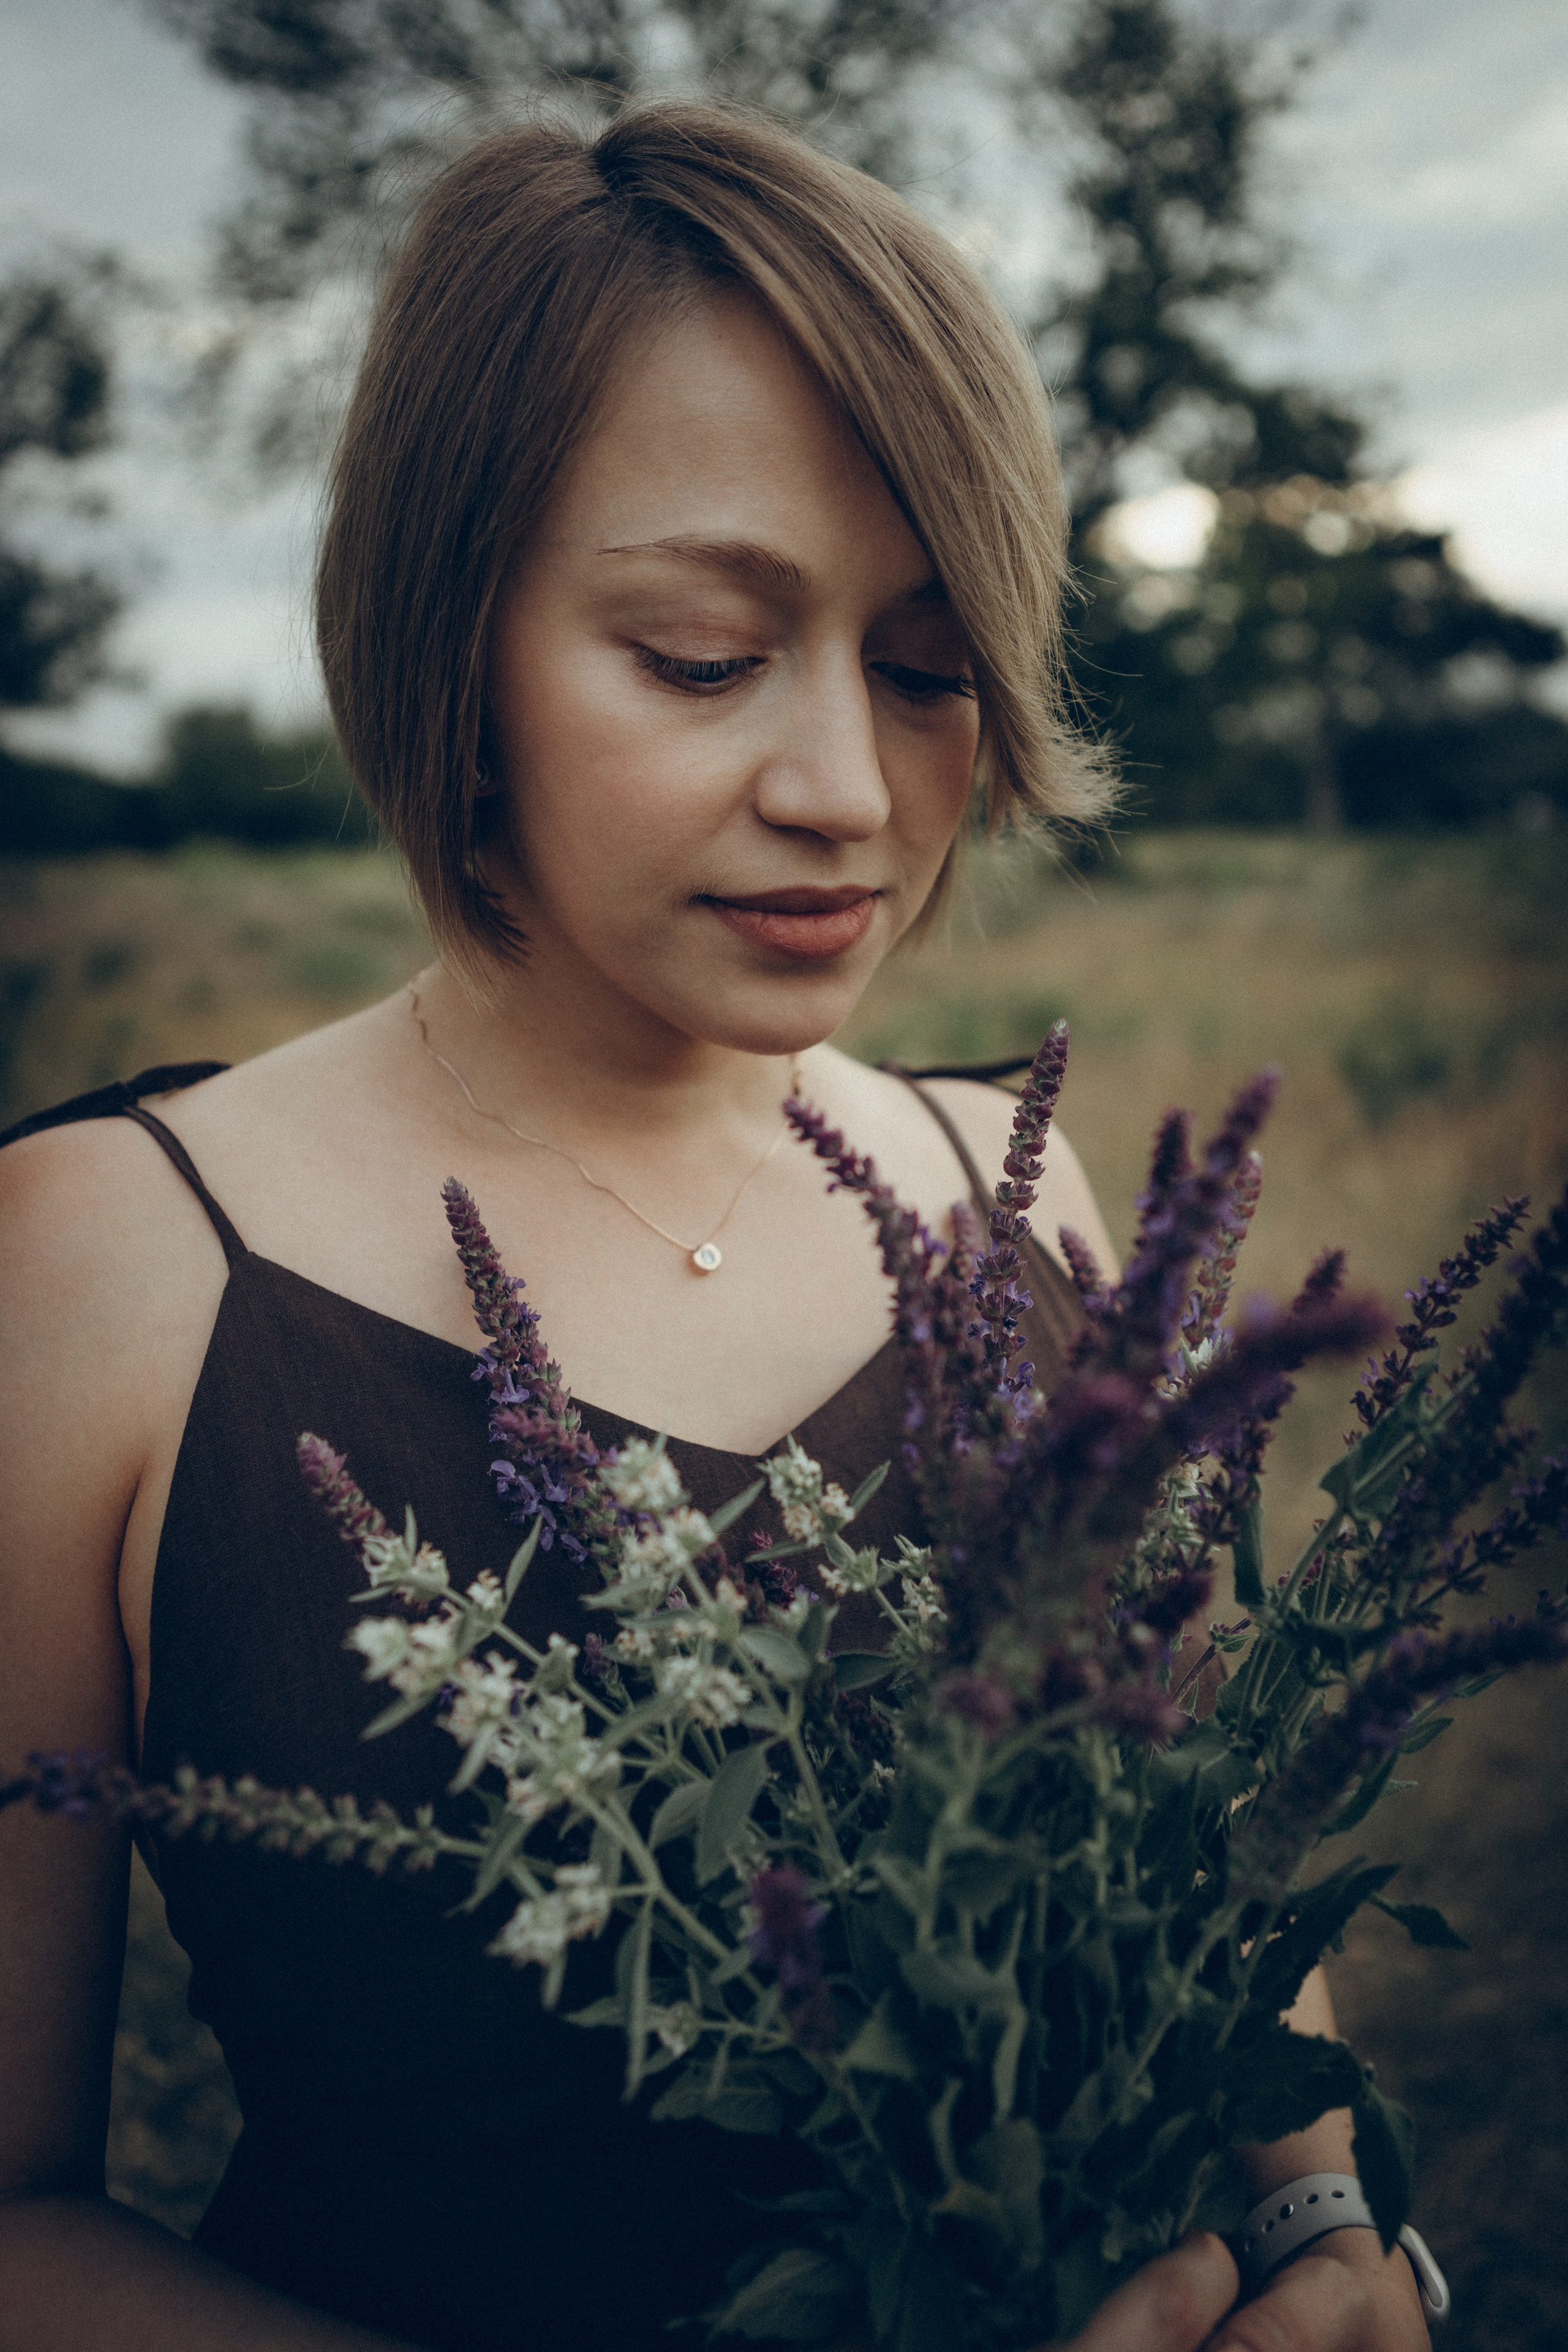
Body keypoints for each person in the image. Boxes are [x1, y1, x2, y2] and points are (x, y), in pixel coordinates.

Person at [0, 104, 1428, 2352]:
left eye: (933, 667)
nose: (851, 790)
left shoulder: (1036, 1201)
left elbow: (1202, 1881)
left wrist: (1333, 2234)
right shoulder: (100, 1264)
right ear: (449, 635)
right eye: (696, 655)